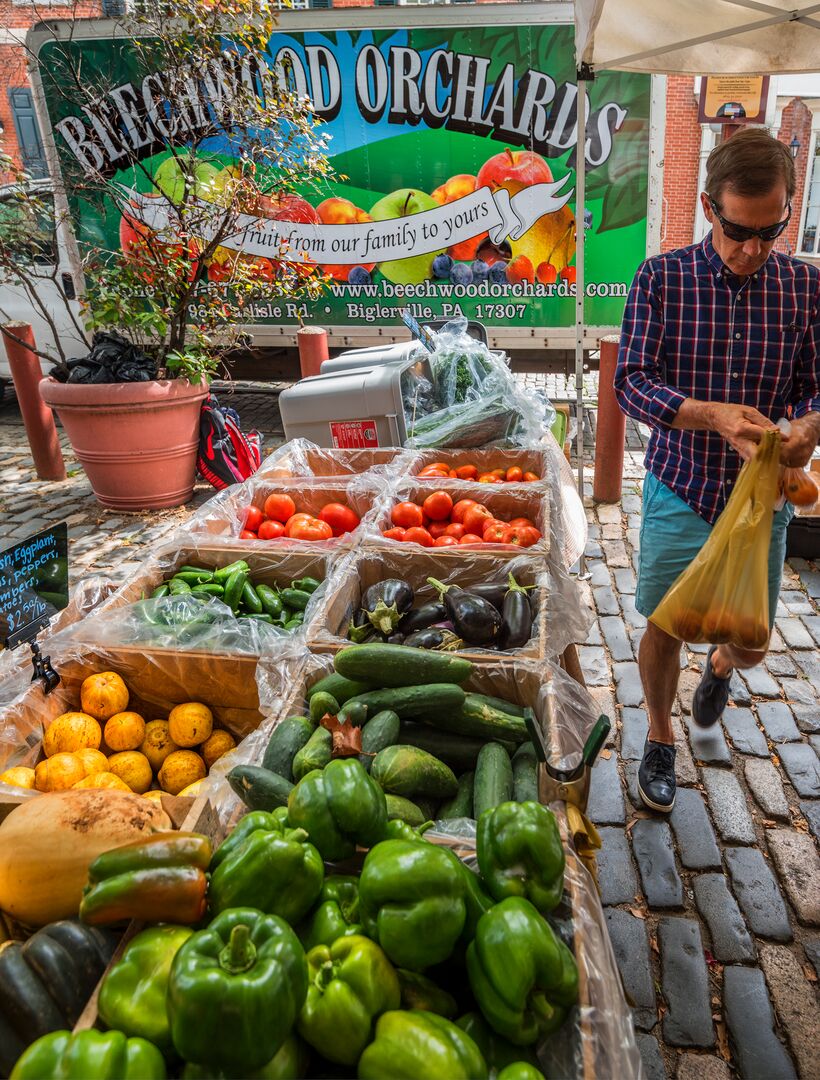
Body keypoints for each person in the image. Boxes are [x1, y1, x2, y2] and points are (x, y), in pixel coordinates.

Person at [615, 127, 820, 813]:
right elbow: (631, 383)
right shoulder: (661, 278)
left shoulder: (806, 287)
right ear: (709, 207)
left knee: (754, 642)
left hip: (761, 499)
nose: (753, 249)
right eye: (738, 230)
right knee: (666, 623)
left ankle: (724, 668)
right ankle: (661, 735)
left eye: (772, 231)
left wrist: (807, 429)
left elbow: (817, 389)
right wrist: (713, 415)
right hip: (681, 483)